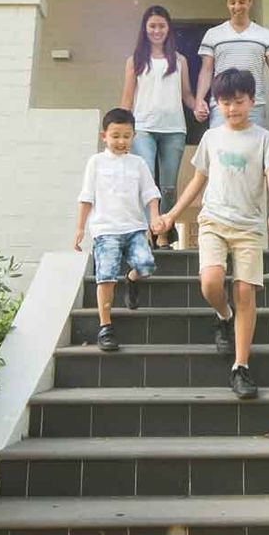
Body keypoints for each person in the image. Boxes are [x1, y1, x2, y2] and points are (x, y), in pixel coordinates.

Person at [157, 68, 269, 400]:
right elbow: (197, 181)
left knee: (245, 291)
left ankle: (240, 367)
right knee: (211, 283)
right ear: (217, 105)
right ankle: (222, 315)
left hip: (249, 228)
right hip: (213, 221)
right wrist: (171, 214)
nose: (232, 109)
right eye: (225, 103)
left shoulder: (263, 138)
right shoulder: (212, 138)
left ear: (251, 101)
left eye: (238, 102)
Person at [72, 108, 164, 353]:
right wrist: (80, 228)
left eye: (126, 136)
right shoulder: (96, 162)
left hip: (135, 228)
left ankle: (131, 279)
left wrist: (155, 217)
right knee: (106, 278)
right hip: (105, 230)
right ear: (105, 136)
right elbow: (86, 197)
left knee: (146, 265)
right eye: (115, 136)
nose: (121, 141)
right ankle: (105, 327)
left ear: (133, 136)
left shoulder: (139, 163)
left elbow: (151, 194)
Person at [120, 5, 193, 236]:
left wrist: (198, 106)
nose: (157, 30)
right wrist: (121, 131)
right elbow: (127, 98)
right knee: (147, 180)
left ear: (168, 28)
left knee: (169, 187)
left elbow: (187, 95)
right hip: (143, 128)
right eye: (152, 25)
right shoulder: (135, 61)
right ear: (145, 28)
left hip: (174, 129)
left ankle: (164, 233)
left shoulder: (179, 60)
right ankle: (146, 232)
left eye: (161, 25)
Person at [191, 0, 269, 134]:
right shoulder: (213, 35)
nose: (237, 6)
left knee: (254, 153)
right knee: (220, 154)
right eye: (232, 2)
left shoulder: (265, 35)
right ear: (227, 4)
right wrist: (199, 100)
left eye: (242, 2)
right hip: (221, 105)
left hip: (253, 106)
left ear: (250, 2)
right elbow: (206, 71)